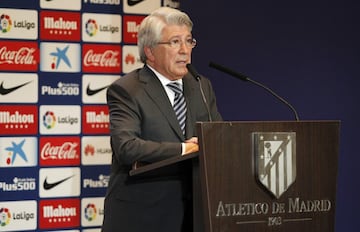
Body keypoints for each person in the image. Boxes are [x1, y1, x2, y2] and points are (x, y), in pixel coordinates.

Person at [101, 6, 222, 232]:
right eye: (175, 42)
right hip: (143, 217)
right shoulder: (127, 90)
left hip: (195, 215)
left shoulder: (200, 86)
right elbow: (127, 148)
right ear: (150, 51)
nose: (185, 50)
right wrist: (183, 149)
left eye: (189, 41)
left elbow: (218, 136)